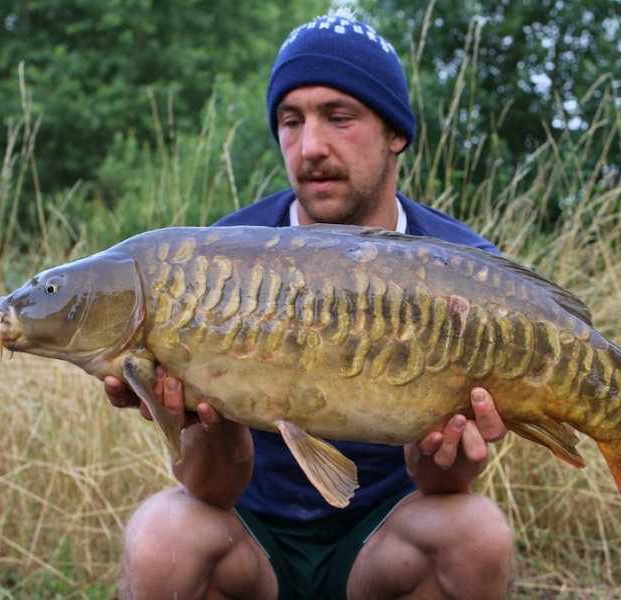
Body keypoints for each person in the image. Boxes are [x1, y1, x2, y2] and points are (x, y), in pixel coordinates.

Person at [105, 10, 516, 600]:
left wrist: (451, 443)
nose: (310, 147)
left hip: (382, 544)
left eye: (339, 117)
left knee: (477, 535)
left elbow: (442, 484)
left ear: (395, 132)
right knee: (161, 535)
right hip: (251, 542)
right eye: (290, 121)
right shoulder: (211, 263)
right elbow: (210, 489)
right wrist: (198, 415)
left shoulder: (466, 273)